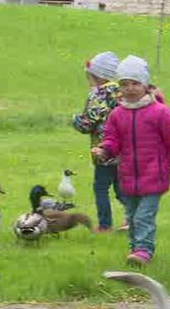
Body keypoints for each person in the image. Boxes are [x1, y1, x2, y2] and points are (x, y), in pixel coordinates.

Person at [92, 55, 170, 266]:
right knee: (131, 216)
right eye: (124, 84)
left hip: (154, 176)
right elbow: (112, 140)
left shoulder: (160, 113)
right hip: (128, 177)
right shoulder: (117, 114)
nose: (130, 88)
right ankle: (136, 248)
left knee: (143, 216)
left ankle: (144, 251)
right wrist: (104, 151)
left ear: (145, 85)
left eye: (135, 83)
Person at [72, 51, 125, 232]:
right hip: (123, 151)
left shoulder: (97, 95)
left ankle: (105, 225)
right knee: (121, 188)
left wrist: (76, 120)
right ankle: (131, 219)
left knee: (101, 188)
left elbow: (88, 123)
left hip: (103, 151)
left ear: (96, 76)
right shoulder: (122, 92)